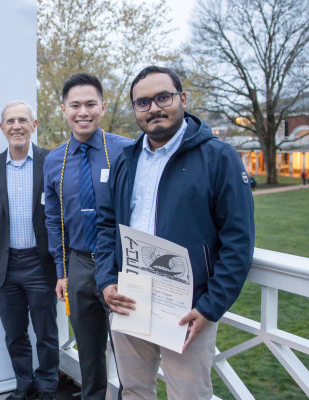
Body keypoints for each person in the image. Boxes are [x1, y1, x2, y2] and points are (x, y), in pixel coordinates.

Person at [95, 66, 255, 399]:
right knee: (135, 390)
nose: (153, 108)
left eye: (162, 97)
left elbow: (238, 240)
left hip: (188, 306)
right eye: (142, 102)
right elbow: (107, 224)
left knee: (188, 394)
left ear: (181, 98)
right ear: (135, 109)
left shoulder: (218, 157)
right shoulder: (128, 160)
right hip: (130, 297)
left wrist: (210, 307)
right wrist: (107, 280)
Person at [43, 73, 133, 400]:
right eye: (75, 105)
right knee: (89, 351)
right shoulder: (54, 161)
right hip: (78, 266)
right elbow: (53, 219)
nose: (84, 111)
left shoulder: (125, 151)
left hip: (120, 266)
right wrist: (61, 271)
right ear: (64, 109)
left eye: (90, 104)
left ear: (103, 106)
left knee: (128, 352)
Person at [0, 101, 59, 400]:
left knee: (46, 334)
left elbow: (61, 215)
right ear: (2, 128)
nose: (16, 126)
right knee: (15, 334)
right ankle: (24, 385)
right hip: (5, 266)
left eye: (23, 120)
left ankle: (48, 387)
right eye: (10, 121)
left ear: (33, 125)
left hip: (41, 264)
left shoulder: (51, 162)